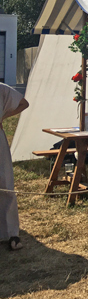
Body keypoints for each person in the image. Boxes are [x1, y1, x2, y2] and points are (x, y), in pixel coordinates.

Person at [0, 83, 29, 251]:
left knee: (5, 183)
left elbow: (24, 103)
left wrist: (3, 116)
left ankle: (11, 232)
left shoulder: (2, 89)